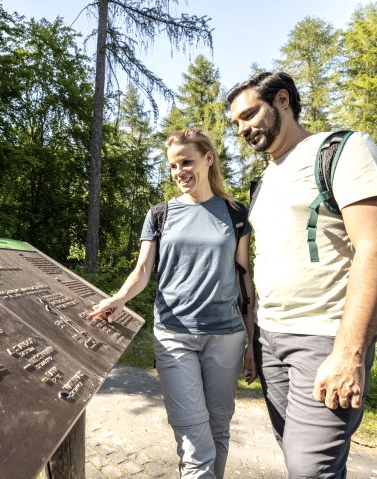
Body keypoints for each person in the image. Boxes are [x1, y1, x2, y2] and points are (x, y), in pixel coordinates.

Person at [225, 72, 377, 478]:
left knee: (310, 470)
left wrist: (349, 354)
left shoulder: (343, 149)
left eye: (249, 115)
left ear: (282, 100)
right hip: (270, 340)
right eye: (236, 123)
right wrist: (254, 338)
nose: (243, 129)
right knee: (295, 458)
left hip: (323, 339)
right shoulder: (266, 179)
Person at [89, 128, 257, 479]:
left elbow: (245, 280)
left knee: (218, 430)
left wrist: (252, 342)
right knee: (196, 442)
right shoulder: (160, 214)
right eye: (172, 165)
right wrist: (120, 297)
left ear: (208, 159)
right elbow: (143, 269)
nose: (179, 171)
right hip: (174, 336)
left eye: (186, 162)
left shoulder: (235, 213)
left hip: (226, 337)